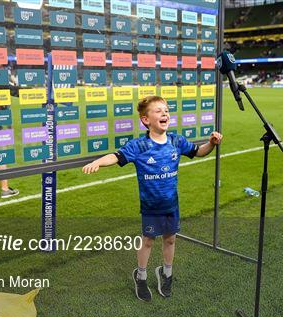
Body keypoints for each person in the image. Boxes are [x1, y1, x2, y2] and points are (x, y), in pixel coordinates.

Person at [82, 96, 223, 301]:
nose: (164, 113)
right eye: (158, 111)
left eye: (166, 110)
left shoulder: (177, 141)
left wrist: (211, 143)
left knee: (171, 239)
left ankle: (166, 273)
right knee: (148, 241)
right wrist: (98, 162)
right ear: (145, 120)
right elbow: (116, 156)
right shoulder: (139, 146)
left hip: (171, 205)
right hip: (150, 206)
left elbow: (198, 152)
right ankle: (141, 276)